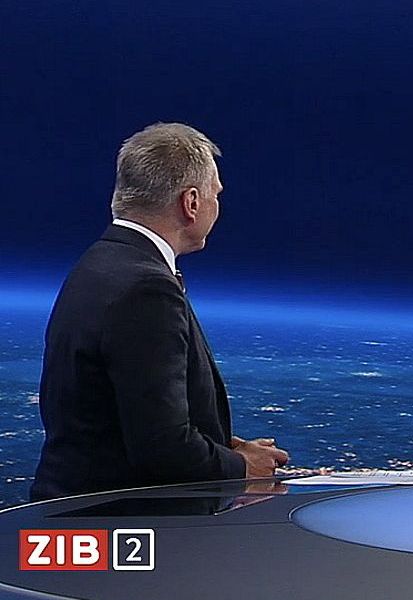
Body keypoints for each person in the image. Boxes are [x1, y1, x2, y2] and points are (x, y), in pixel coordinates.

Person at [30, 123, 289, 501]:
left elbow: (118, 419)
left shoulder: (100, 263)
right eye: (215, 194)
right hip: (116, 525)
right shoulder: (146, 290)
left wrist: (225, 447)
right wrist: (243, 468)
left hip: (71, 514)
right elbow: (162, 447)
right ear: (191, 203)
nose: (218, 206)